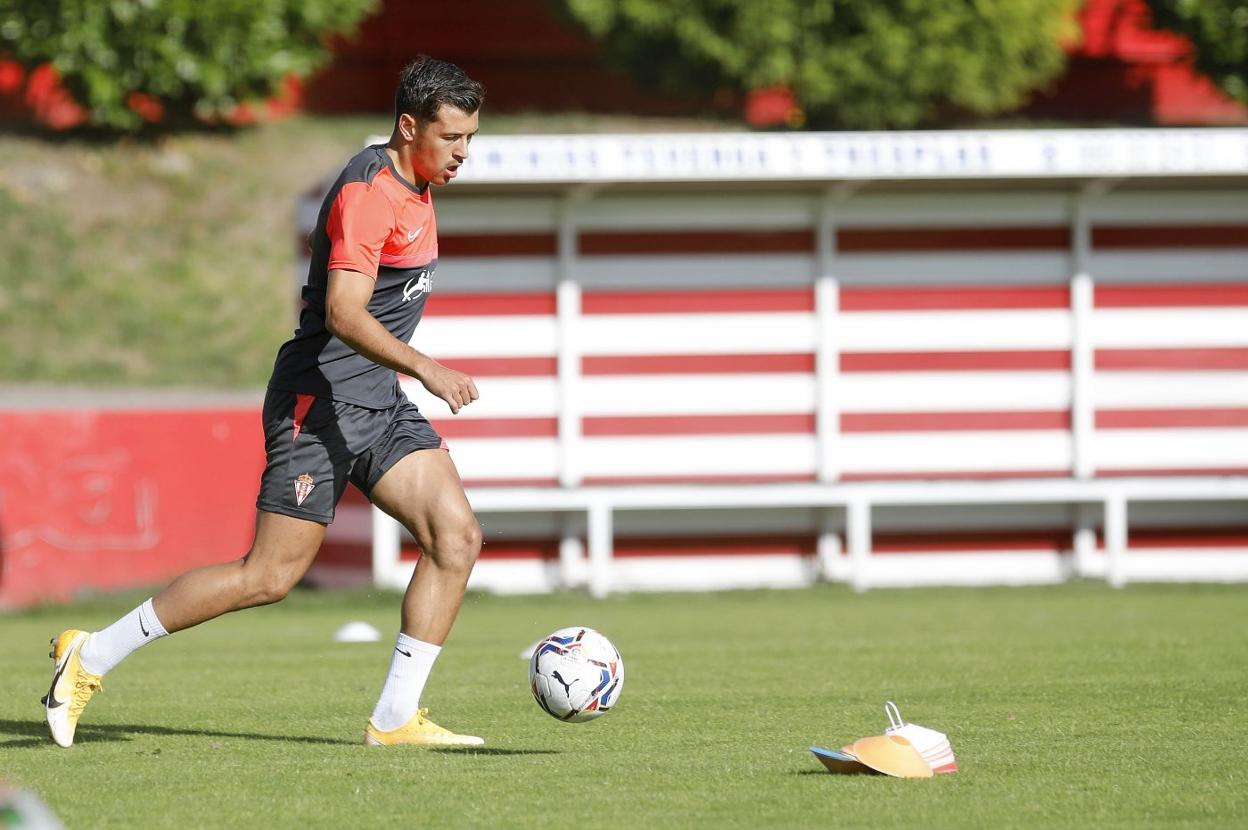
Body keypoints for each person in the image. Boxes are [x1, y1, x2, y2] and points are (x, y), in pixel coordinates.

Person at [42, 56, 487, 748]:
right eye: (452, 138)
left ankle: (396, 720)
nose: (463, 154)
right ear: (409, 126)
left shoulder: (416, 184)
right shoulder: (371, 193)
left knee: (454, 538)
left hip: (375, 400)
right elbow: (343, 312)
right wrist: (425, 365)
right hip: (319, 398)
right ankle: (90, 655)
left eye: (470, 139)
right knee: (268, 576)